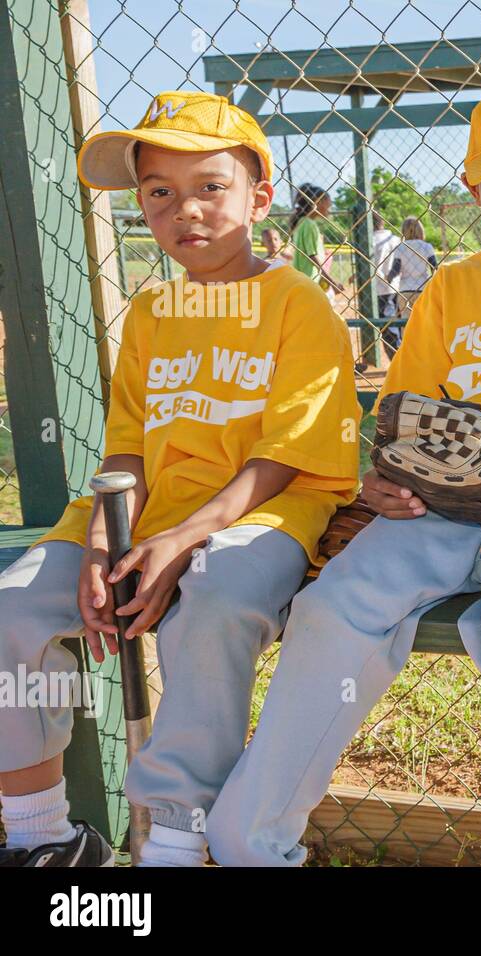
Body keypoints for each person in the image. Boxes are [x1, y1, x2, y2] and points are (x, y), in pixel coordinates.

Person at [205, 80, 481, 867]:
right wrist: (381, 480)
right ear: (472, 188)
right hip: (443, 499)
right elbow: (408, 412)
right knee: (331, 610)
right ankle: (249, 844)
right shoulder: (452, 285)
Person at [0, 91, 360, 867]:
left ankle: (174, 838)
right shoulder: (154, 310)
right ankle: (41, 836)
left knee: (213, 601)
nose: (184, 211)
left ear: (260, 197)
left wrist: (181, 540)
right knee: (11, 615)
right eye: (159, 193)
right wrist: (104, 537)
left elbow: (287, 455)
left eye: (209, 188)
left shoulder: (297, 302)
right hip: (146, 511)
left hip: (260, 511)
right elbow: (125, 448)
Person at [289, 183, 344, 298]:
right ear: (317, 202)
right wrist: (332, 282)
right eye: (328, 206)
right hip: (309, 280)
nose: (329, 210)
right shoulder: (309, 224)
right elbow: (312, 256)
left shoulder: (302, 222)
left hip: (303, 280)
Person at [387, 216, 437, 320]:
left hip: (405, 289)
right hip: (423, 288)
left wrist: (389, 277)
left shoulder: (401, 247)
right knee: (423, 321)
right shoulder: (426, 246)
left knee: (407, 323)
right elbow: (434, 268)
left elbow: (396, 270)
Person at [370, 212, 402, 358]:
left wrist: (384, 278)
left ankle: (395, 358)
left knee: (387, 327)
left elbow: (374, 267)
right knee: (399, 324)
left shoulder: (371, 240)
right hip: (399, 287)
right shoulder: (396, 239)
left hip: (380, 289)